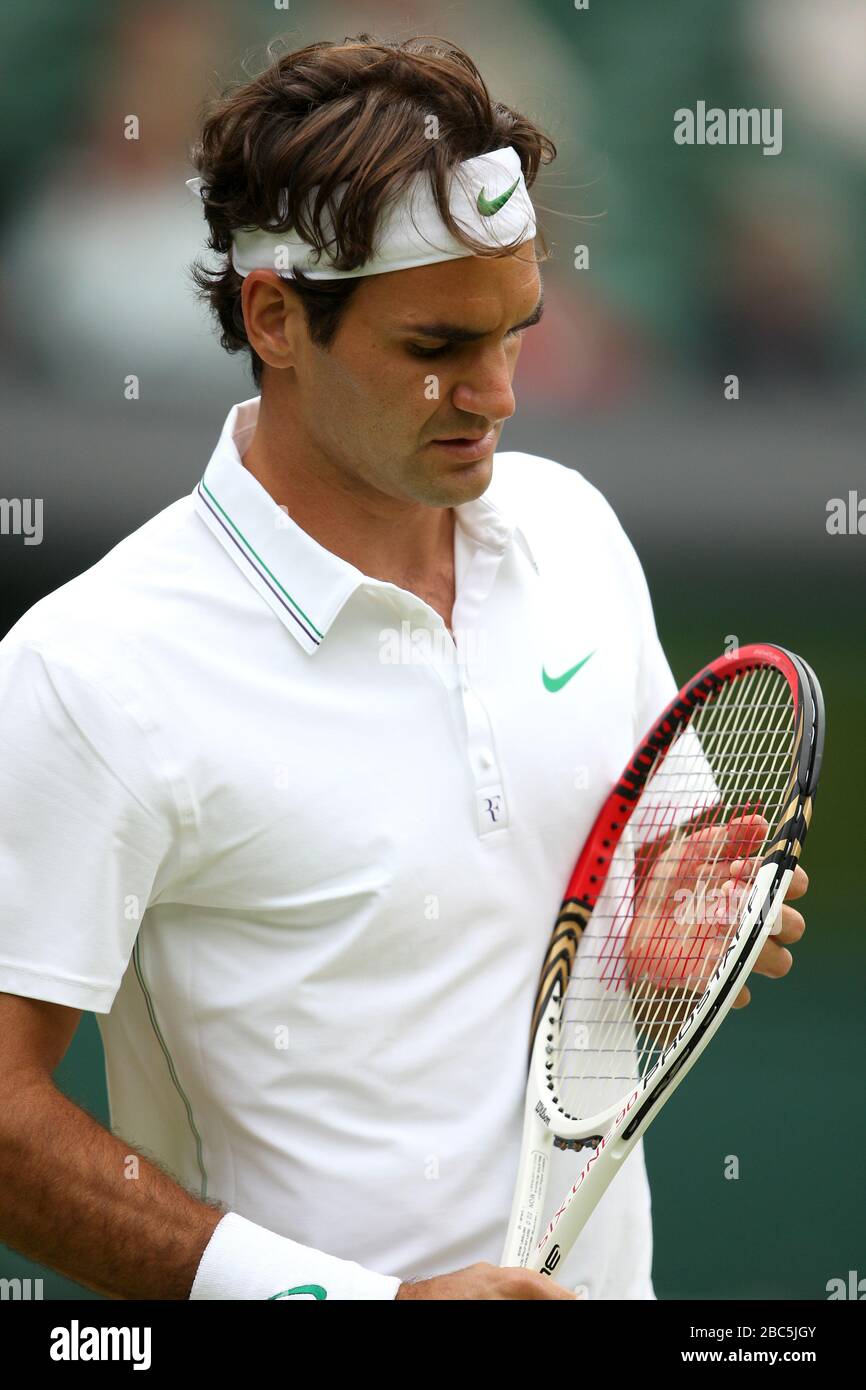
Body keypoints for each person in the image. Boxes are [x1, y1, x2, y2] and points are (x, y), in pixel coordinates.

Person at [0, 34, 807, 1301]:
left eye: (516, 332)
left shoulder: (578, 531)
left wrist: (655, 975)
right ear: (274, 316)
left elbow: (613, 987)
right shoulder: (86, 669)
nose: (494, 394)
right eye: (438, 342)